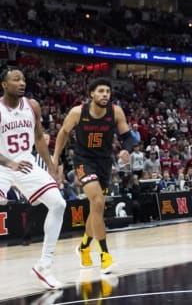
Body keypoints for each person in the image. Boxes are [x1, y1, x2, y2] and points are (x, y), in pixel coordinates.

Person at [53, 78, 138, 274]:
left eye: (107, 91)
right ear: (92, 94)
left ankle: (84, 246)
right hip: (83, 161)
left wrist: (126, 150)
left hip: (104, 162)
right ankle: (105, 256)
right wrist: (56, 158)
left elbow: (128, 137)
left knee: (96, 208)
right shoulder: (78, 112)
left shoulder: (115, 111)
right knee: (98, 201)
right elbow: (63, 132)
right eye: (100, 91)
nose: (105, 94)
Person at [0, 67, 66, 289]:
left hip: (26, 164)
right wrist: (9, 163)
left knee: (58, 203)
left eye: (23, 79)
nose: (22, 83)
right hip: (2, 166)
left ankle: (44, 265)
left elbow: (38, 137)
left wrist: (51, 167)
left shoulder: (32, 106)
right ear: (4, 85)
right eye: (15, 79)